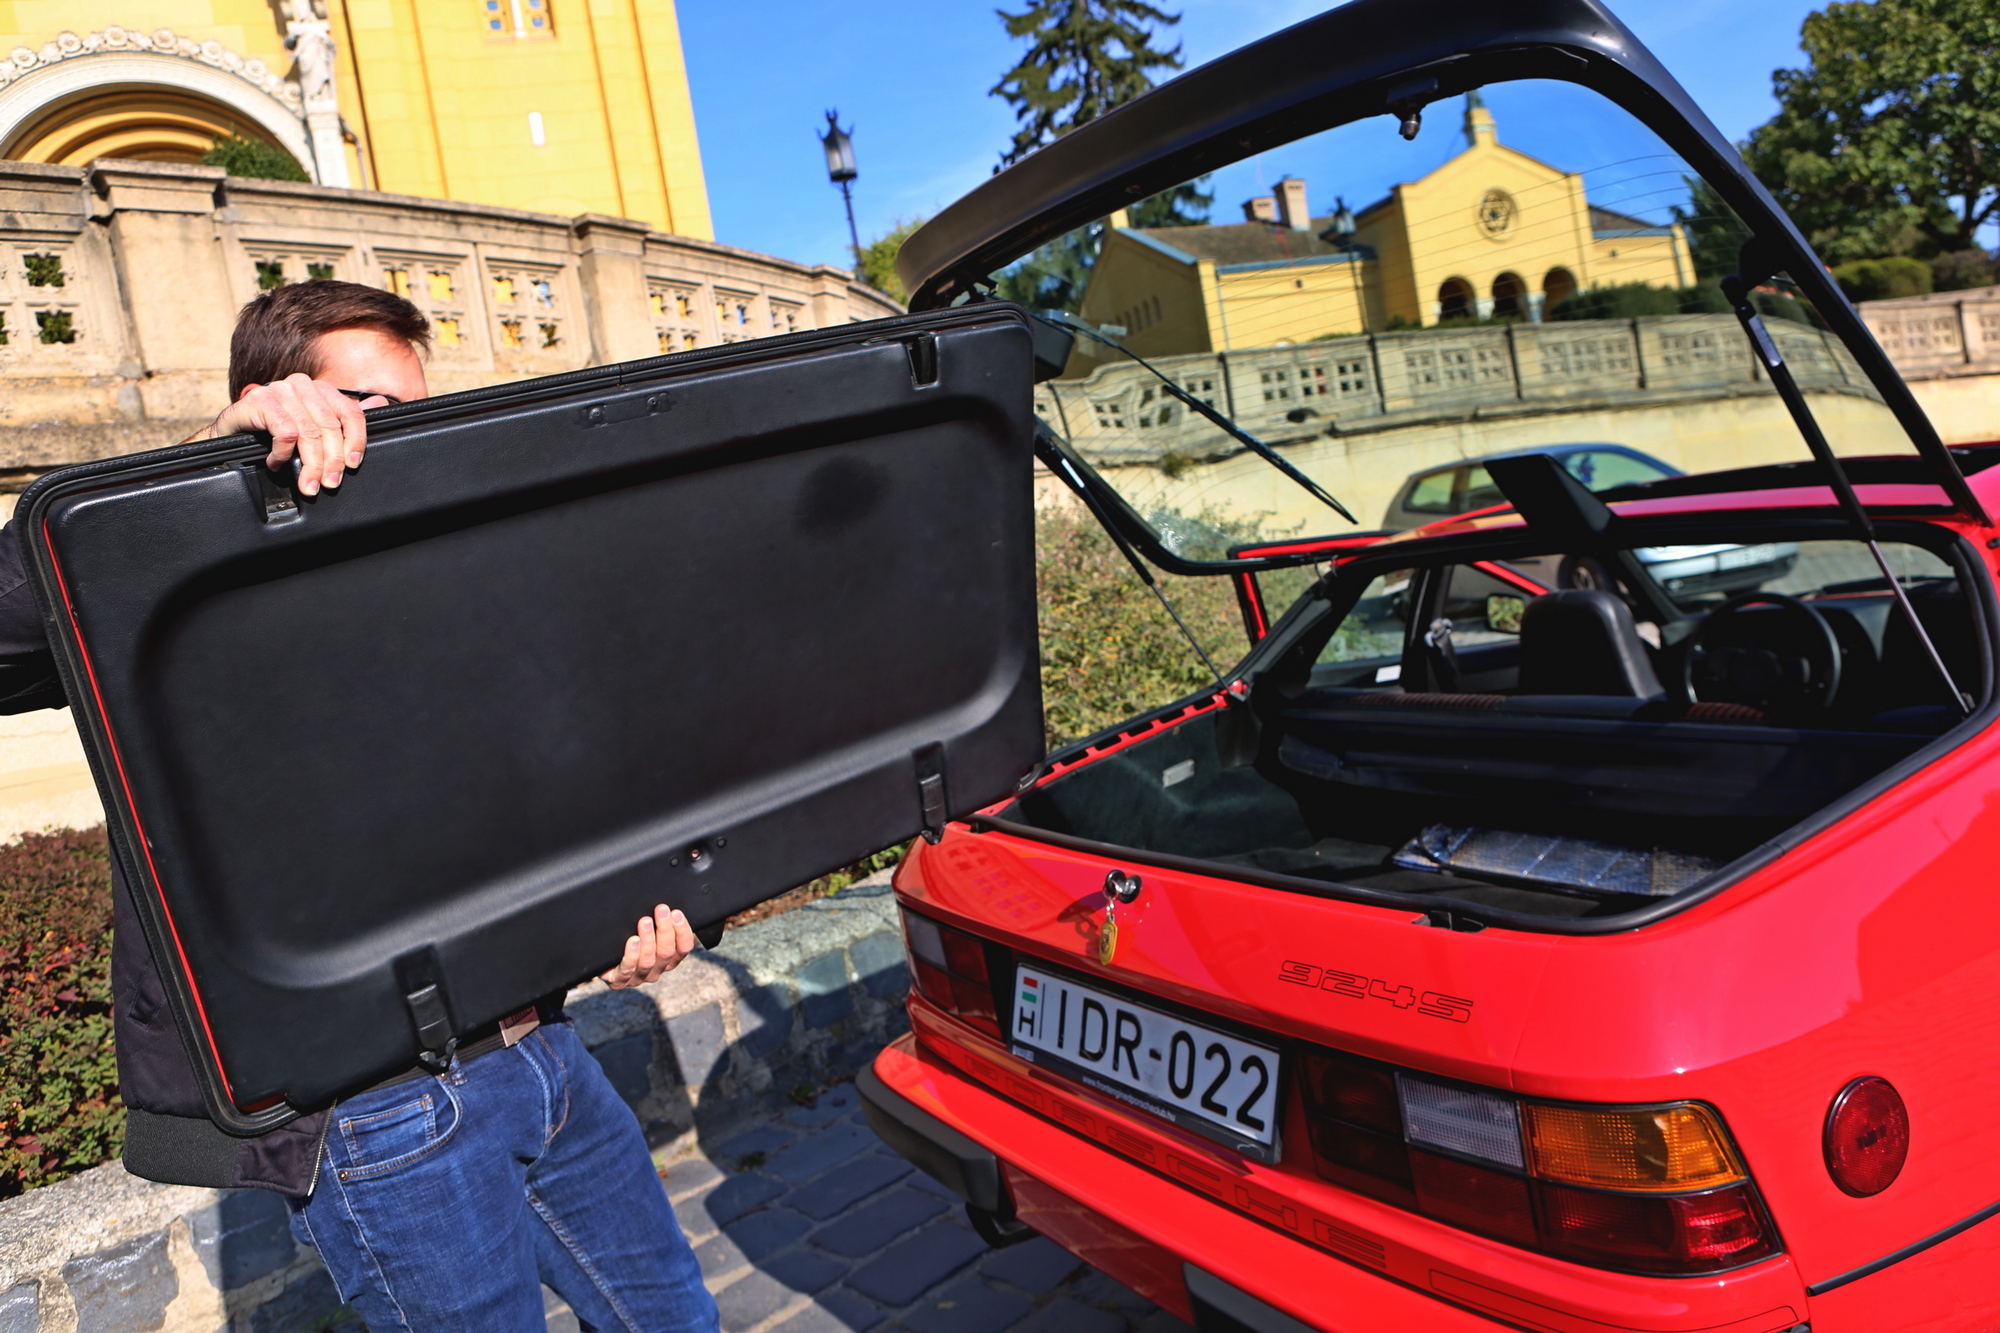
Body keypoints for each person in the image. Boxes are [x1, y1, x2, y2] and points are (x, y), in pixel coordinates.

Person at [0, 280, 720, 1333]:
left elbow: (551, 792)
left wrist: (632, 918)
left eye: (414, 411)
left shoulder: (441, 572)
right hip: (383, 1115)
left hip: (543, 1051)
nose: (396, 440)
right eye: (367, 405)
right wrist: (199, 469)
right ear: (269, 398)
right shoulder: (170, 581)